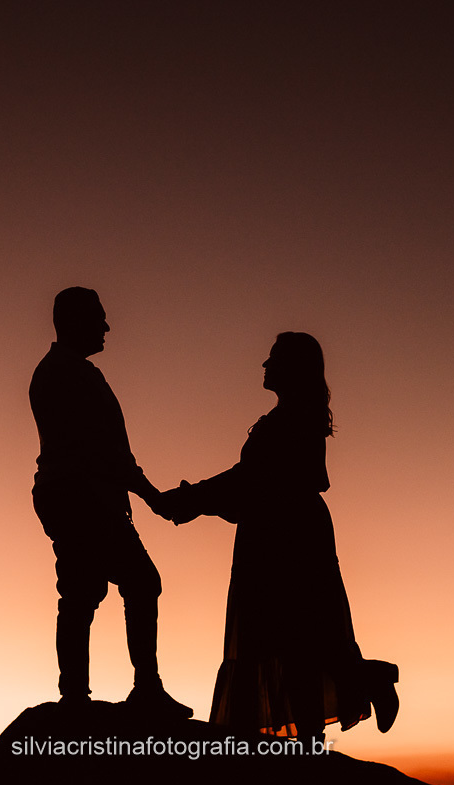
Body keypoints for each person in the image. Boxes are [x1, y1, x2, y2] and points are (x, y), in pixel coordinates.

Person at [160, 332, 397, 742]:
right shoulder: (291, 418)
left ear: (292, 369)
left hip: (286, 538)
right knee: (292, 639)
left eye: (272, 360)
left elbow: (254, 482)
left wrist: (193, 498)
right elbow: (250, 488)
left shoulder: (292, 419)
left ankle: (333, 711)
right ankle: (351, 692)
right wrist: (197, 499)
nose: (264, 367)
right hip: (280, 533)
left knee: (289, 639)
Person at [29, 286, 191, 718]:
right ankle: (116, 692)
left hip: (77, 494)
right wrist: (152, 495)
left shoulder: (68, 372)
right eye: (98, 317)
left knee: (88, 590)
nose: (106, 326)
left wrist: (142, 492)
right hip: (80, 496)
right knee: (129, 583)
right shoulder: (67, 374)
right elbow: (105, 452)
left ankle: (82, 695)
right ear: (73, 320)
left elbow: (109, 452)